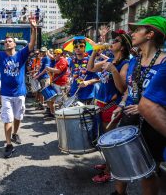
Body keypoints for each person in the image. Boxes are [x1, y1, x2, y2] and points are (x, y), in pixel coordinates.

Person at [111, 16, 166, 195]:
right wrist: (121, 105)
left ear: (150, 34)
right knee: (120, 157)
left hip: (152, 124)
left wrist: (145, 107)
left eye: (137, 30)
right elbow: (129, 90)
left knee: (148, 170)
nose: (132, 34)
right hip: (129, 116)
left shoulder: (164, 63)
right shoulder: (135, 61)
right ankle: (119, 193)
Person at [0, 16, 36, 158]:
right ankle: (8, 144)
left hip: (20, 93)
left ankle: (15, 133)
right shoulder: (0, 56)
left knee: (18, 117)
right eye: (5, 42)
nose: (7, 43)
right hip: (6, 94)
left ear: (15, 44)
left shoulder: (21, 54)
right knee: (8, 118)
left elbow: (31, 44)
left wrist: (34, 28)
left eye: (9, 41)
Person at [87, 30, 132, 183]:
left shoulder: (125, 64)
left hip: (112, 107)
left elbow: (122, 89)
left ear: (123, 47)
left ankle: (110, 172)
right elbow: (91, 68)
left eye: (116, 40)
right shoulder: (111, 60)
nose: (112, 42)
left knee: (110, 141)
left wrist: (113, 71)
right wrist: (95, 51)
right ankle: (108, 164)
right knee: (104, 138)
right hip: (104, 105)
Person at [68, 37, 99, 105]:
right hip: (74, 93)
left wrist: (88, 82)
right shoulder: (72, 61)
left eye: (81, 46)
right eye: (76, 46)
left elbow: (98, 78)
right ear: (73, 48)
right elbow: (73, 76)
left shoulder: (90, 60)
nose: (78, 48)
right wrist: (70, 86)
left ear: (85, 48)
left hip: (87, 95)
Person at [33, 47, 51, 112]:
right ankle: (42, 105)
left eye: (43, 52)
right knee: (41, 92)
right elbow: (41, 69)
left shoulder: (47, 59)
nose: (42, 53)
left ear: (46, 51)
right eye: (41, 52)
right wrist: (37, 74)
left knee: (46, 93)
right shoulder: (43, 58)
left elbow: (45, 69)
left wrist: (38, 75)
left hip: (45, 77)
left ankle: (49, 108)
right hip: (41, 78)